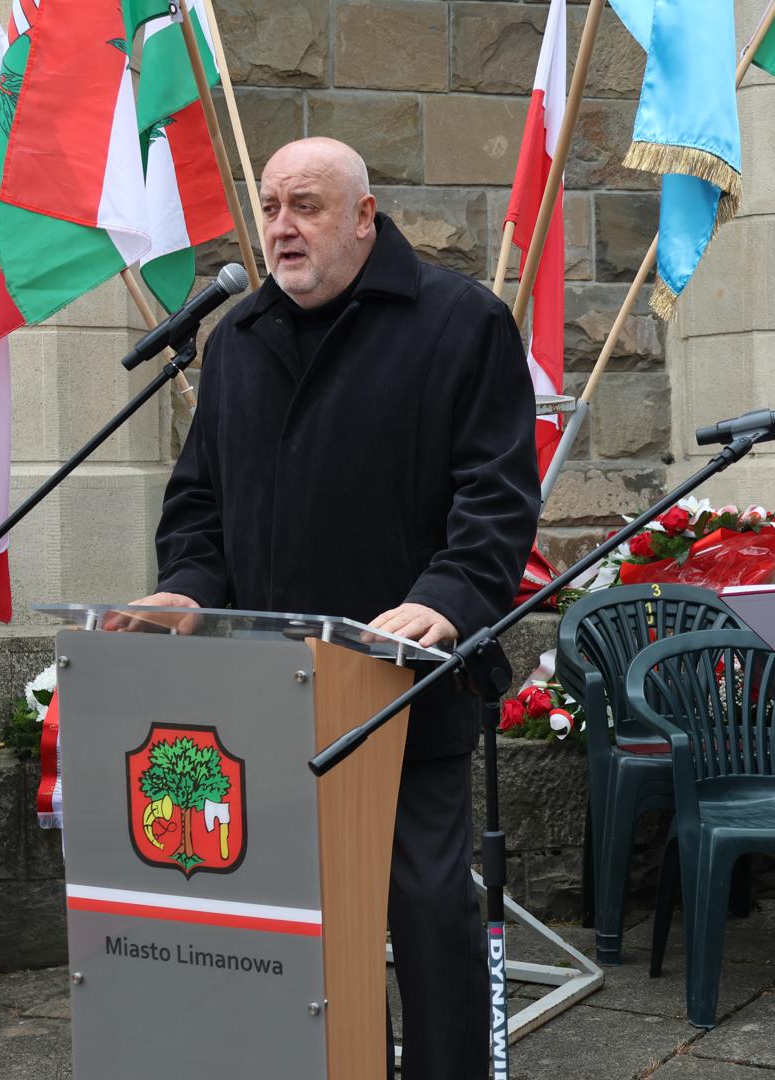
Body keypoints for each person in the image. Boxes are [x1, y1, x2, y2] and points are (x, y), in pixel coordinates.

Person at [112, 138, 539, 1078]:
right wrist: (188, 587)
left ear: (363, 217)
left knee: (426, 914)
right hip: (268, 694)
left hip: (401, 687)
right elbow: (200, 503)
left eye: (305, 205)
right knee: (295, 926)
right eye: (269, 206)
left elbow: (498, 496)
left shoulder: (458, 322)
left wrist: (446, 598)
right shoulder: (238, 339)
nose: (281, 227)